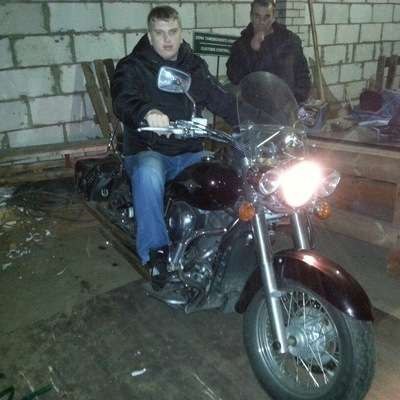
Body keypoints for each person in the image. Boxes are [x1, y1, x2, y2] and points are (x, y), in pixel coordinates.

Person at [111, 6, 241, 289]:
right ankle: (156, 253)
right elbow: (123, 97)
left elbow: (218, 98)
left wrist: (256, 119)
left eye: (172, 32)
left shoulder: (194, 66)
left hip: (189, 151)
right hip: (148, 149)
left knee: (224, 177)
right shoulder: (133, 66)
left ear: (181, 33)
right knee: (148, 173)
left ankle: (216, 246)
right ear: (149, 36)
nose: (167, 39)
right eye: (159, 33)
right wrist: (146, 111)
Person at [226, 0, 311, 104]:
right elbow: (234, 77)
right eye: (257, 16)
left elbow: (302, 73)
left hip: (285, 106)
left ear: (273, 17)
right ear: (251, 16)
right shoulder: (241, 44)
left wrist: (296, 99)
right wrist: (252, 50)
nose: (261, 22)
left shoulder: (289, 40)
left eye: (266, 17)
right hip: (254, 107)